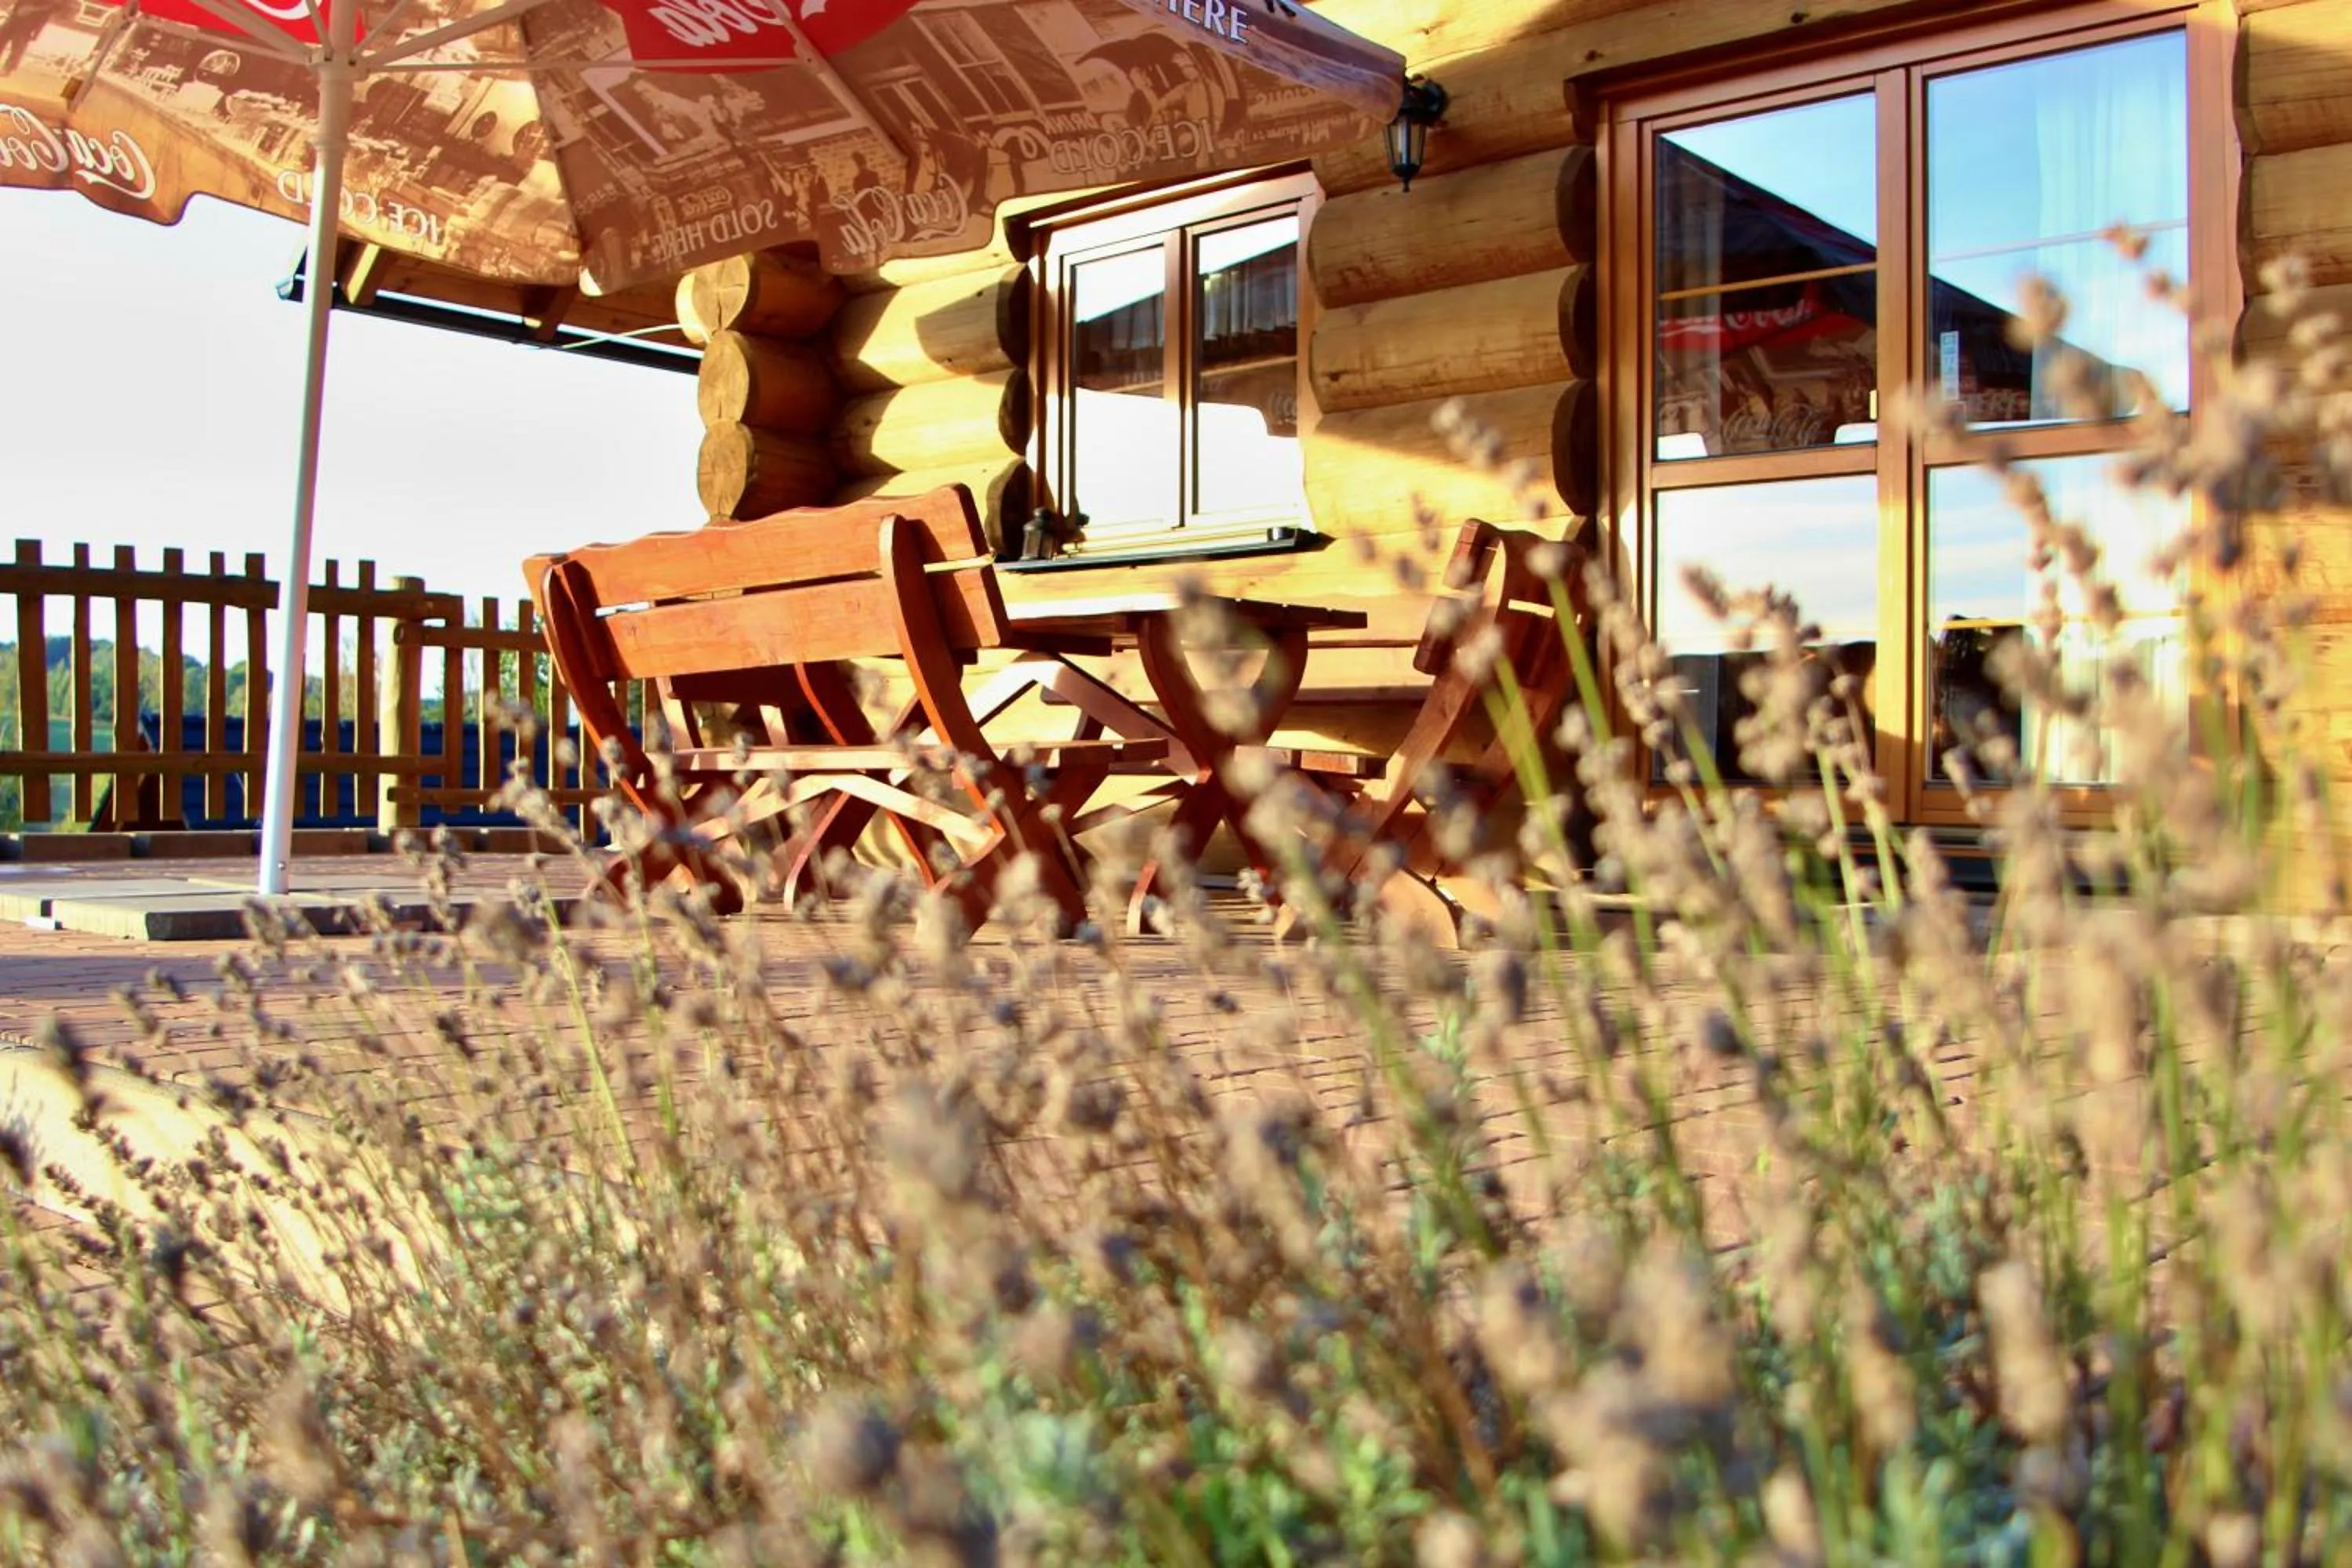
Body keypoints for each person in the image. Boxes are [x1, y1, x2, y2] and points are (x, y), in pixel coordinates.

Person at [0, 0, 67, 76]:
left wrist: (37, 32)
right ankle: (9, 69)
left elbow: (47, 13)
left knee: (18, 47)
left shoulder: (48, 5)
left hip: (27, 25)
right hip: (15, 18)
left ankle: (9, 69)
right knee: (3, 39)